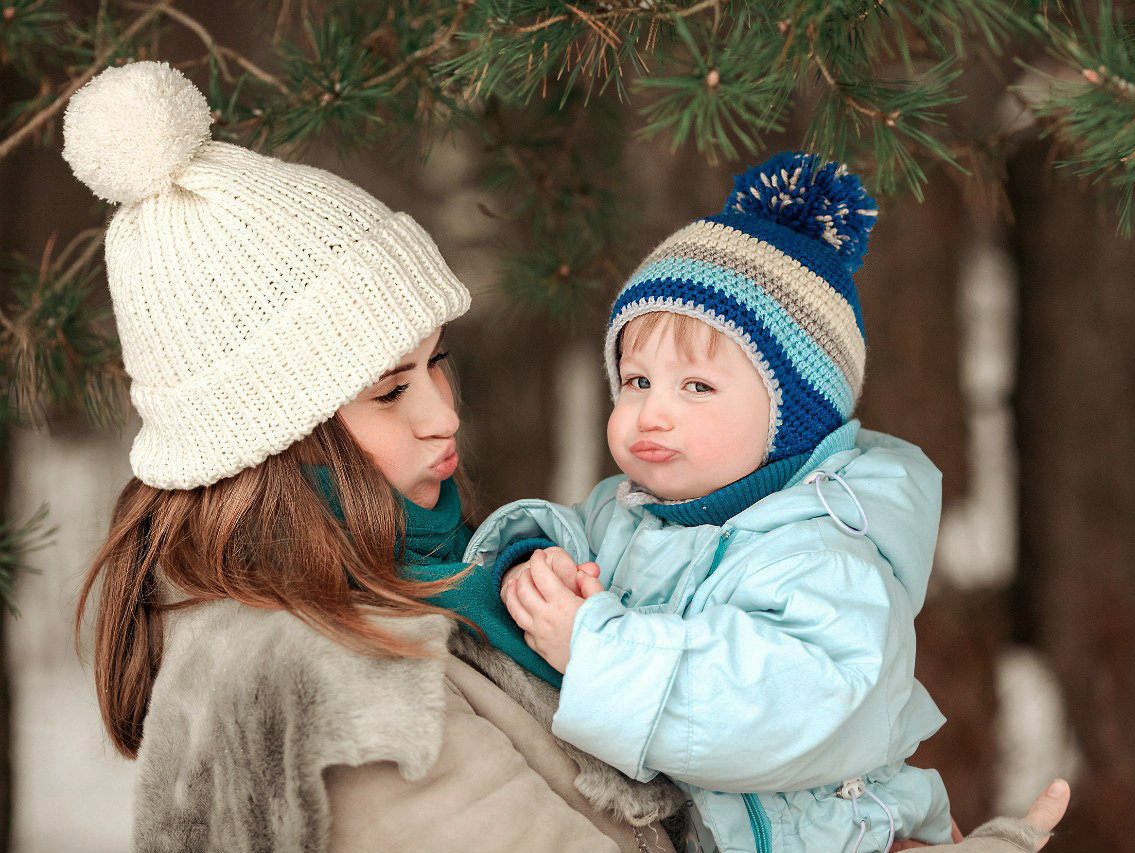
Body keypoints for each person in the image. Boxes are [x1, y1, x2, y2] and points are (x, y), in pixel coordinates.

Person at [65, 60, 1066, 853]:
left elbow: (802, 704)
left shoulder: (409, 587)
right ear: (269, 439)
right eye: (389, 390)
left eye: (436, 364)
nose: (444, 416)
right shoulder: (330, 686)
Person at [474, 152, 948, 853]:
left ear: (794, 418)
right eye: (636, 380)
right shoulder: (627, 511)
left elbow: (767, 711)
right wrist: (534, 563)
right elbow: (570, 534)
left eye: (695, 387)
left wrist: (597, 650)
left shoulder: (828, 555)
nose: (651, 413)